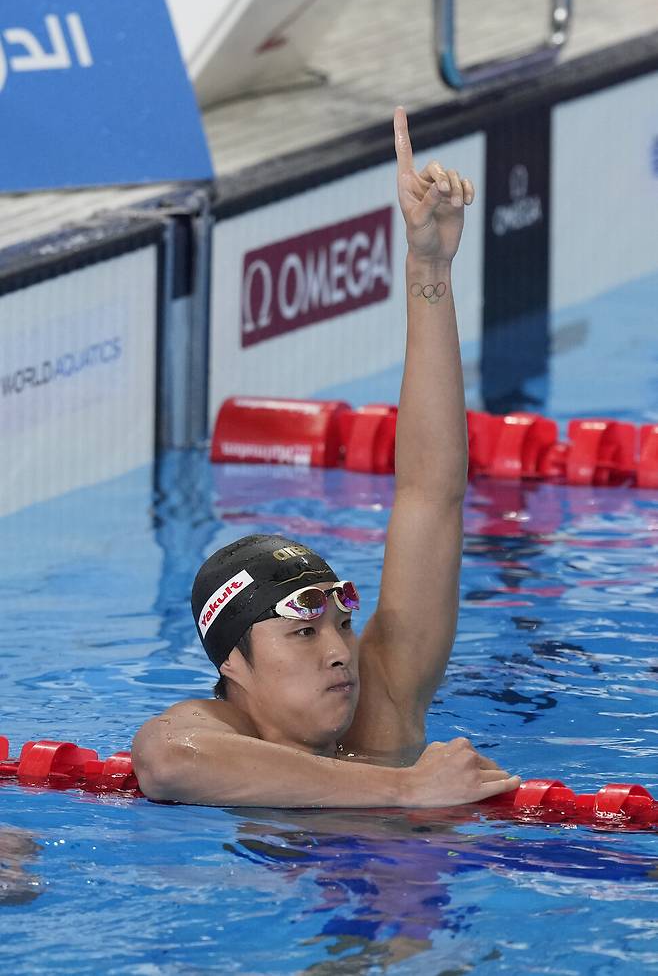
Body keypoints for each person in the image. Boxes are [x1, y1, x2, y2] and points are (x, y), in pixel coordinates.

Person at [132, 107, 521, 808]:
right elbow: (167, 759)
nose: (340, 650)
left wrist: (428, 267)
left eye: (339, 622)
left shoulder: (385, 693)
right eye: (304, 632)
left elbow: (430, 493)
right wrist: (404, 788)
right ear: (233, 663)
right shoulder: (211, 727)